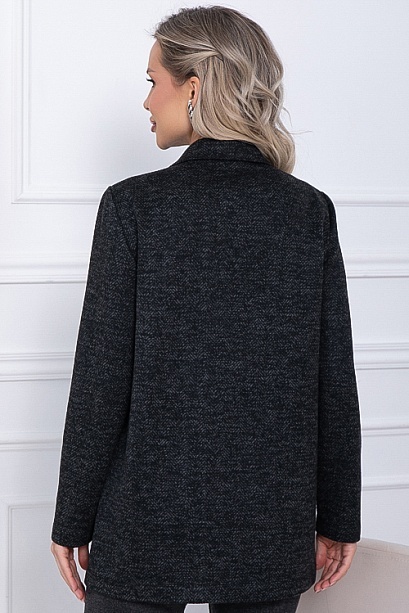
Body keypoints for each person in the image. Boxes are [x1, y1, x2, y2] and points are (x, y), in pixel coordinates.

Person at [50, 6, 361, 613]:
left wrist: (72, 518)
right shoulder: (308, 212)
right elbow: (333, 382)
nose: (146, 102)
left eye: (153, 81)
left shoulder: (133, 207)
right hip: (269, 528)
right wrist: (339, 515)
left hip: (143, 526)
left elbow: (100, 383)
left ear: (192, 88)